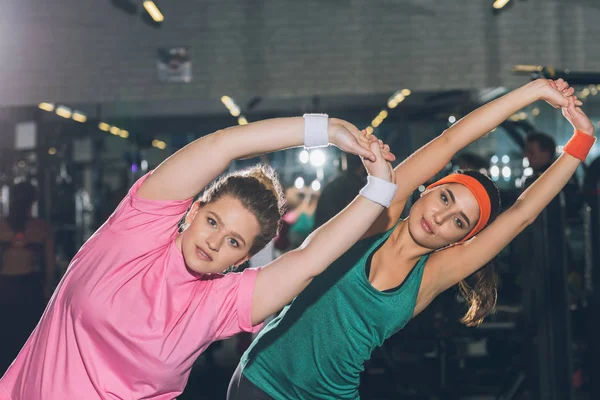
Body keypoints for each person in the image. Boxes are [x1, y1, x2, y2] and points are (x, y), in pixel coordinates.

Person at [228, 79, 595, 400]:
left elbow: (521, 215)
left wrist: (582, 142)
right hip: (262, 383)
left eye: (459, 221)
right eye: (445, 198)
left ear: (460, 240)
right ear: (427, 189)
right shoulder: (379, 213)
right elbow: (451, 140)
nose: (441, 216)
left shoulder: (433, 275)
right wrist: (534, 90)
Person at [0, 115, 396, 399]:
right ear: (192, 212)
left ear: (241, 261)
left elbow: (310, 260)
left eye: (234, 242)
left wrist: (380, 189)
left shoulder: (220, 302)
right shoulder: (136, 232)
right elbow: (222, 145)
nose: (214, 242)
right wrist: (323, 130)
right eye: (212, 221)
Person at [0, 182, 55, 373]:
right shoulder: (41, 228)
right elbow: (50, 267)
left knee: (6, 346)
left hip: (5, 289)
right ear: (33, 201)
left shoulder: (1, 226)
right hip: (30, 289)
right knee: (29, 347)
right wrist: (47, 293)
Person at [313, 154, 366, 230]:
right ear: (361, 166)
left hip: (322, 232)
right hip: (337, 232)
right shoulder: (354, 184)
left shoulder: (331, 185)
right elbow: (354, 214)